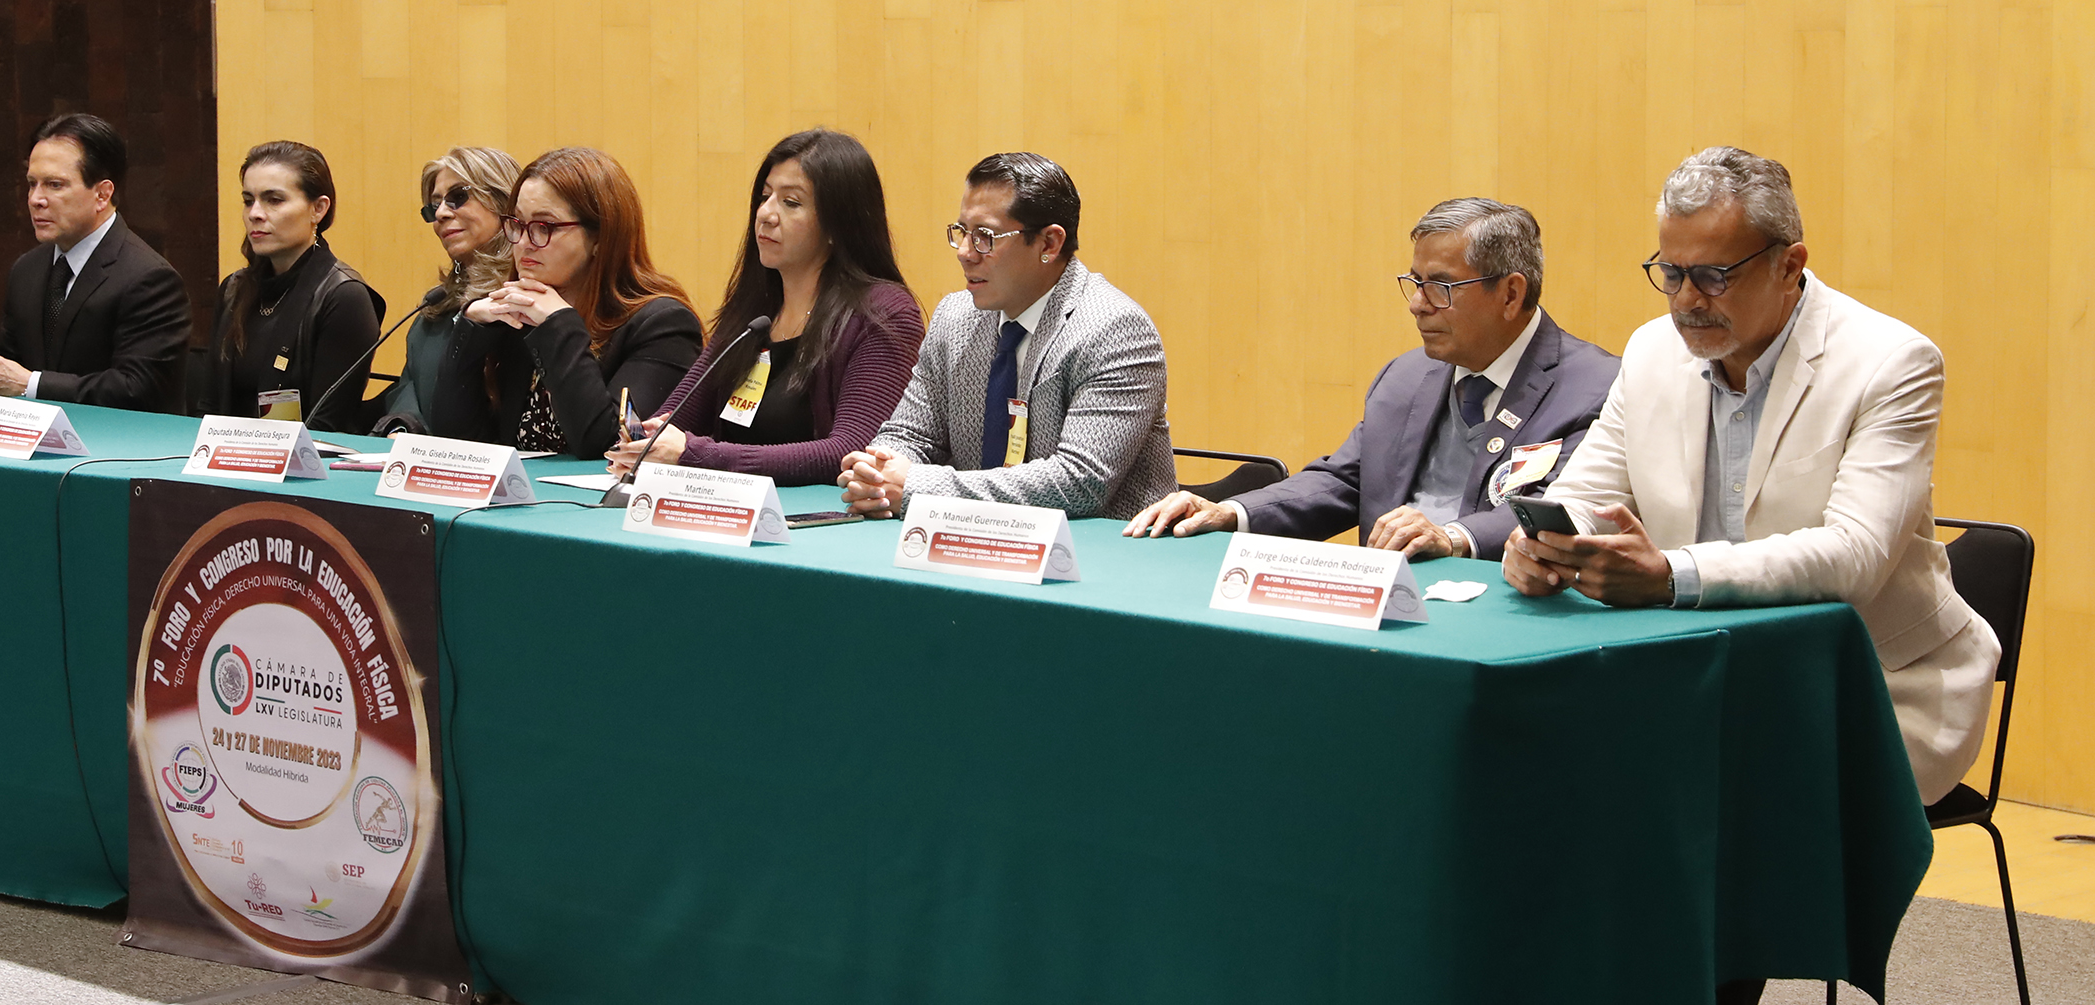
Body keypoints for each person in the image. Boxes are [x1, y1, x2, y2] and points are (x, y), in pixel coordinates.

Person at [1505, 148, 1999, 820]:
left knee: (1700, 804)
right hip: (1696, 672)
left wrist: (1670, 575)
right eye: (1670, 273)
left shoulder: (1891, 363)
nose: (1686, 300)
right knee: (1542, 768)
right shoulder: (1652, 351)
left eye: (1713, 276)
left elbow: (1853, 556)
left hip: (1871, 688)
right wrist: (1545, 546)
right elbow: (1586, 497)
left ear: (1788, 265)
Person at [1125, 198, 1619, 559]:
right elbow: (1343, 481)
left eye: (1441, 286)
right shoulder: (1406, 377)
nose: (1417, 304)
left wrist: (1452, 538)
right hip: (1389, 609)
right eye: (1415, 282)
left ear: (1510, 294)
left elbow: (1563, 507)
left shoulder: (1595, 388)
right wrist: (1230, 512)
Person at [838, 151, 1174, 520]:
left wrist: (918, 487)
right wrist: (877, 472)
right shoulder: (954, 318)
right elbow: (909, 435)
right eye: (962, 232)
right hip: (973, 540)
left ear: (1049, 244)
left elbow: (1080, 483)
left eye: (985, 237)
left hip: (1101, 547)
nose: (965, 253)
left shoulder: (1113, 329)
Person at [607, 128, 923, 485]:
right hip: (730, 507)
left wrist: (694, 454)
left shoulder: (883, 314)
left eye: (791, 202)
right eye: (764, 196)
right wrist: (647, 442)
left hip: (820, 515)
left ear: (839, 224)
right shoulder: (756, 314)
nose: (766, 213)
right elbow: (674, 421)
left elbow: (850, 451)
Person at [431, 146, 702, 457]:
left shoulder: (663, 326)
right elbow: (456, 442)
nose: (523, 243)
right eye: (517, 224)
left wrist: (559, 325)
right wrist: (471, 328)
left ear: (600, 237)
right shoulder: (520, 317)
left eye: (544, 227)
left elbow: (610, 445)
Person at [0, 112, 190, 412]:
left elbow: (137, 389)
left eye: (54, 185)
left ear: (102, 195)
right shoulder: (27, 270)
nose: (35, 199)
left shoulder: (149, 278)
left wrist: (31, 385)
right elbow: (9, 364)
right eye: (32, 184)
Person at [193, 141, 385, 434]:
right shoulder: (234, 289)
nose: (255, 213)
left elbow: (325, 427)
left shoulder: (344, 296)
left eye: (274, 200)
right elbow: (208, 405)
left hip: (303, 458)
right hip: (224, 452)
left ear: (318, 209)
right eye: (248, 200)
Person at [370, 146, 524, 435]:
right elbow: (409, 388)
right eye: (433, 206)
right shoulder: (435, 308)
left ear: (503, 201)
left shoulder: (524, 299)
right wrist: (400, 427)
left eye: (458, 197)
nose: (440, 213)